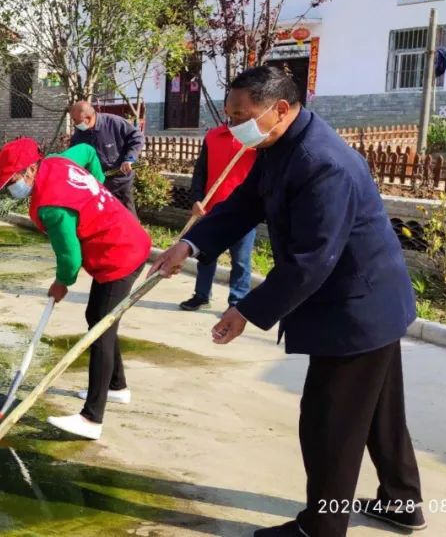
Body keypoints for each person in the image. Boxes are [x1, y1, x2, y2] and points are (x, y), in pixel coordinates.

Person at [149, 66, 424, 537]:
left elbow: (310, 261)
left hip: (356, 306)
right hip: (364, 298)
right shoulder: (279, 145)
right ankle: (401, 502)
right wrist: (190, 245)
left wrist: (246, 311)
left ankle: (320, 528)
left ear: (279, 107)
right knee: (378, 411)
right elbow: (244, 205)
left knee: (328, 422)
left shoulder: (322, 162)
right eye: (230, 114)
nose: (234, 125)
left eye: (241, 115)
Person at [0, 137, 151, 441]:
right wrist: (97, 192)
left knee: (100, 329)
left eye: (12, 181)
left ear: (28, 171)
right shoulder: (58, 161)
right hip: (125, 236)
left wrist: (61, 283)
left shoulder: (51, 205)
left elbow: (70, 257)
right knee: (99, 317)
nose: (12, 188)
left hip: (119, 255)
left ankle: (92, 418)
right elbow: (89, 151)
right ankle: (117, 387)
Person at [179, 123, 258, 311]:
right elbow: (200, 171)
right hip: (212, 210)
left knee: (241, 261)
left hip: (244, 212)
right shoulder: (213, 136)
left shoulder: (256, 138)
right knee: (206, 256)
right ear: (226, 109)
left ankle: (237, 303)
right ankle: (202, 295)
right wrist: (197, 199)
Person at [69, 101, 145, 217]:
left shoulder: (114, 123)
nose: (74, 124)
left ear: (88, 118)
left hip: (120, 179)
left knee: (127, 216)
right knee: (103, 216)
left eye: (76, 121)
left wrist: (130, 158)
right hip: (97, 182)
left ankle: (133, 234)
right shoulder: (79, 135)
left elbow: (137, 137)